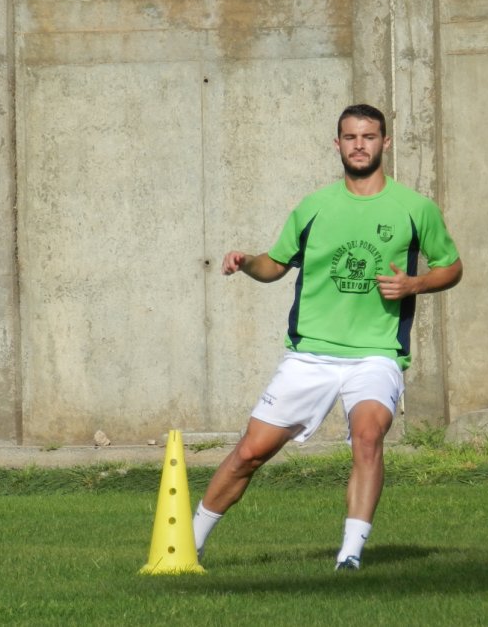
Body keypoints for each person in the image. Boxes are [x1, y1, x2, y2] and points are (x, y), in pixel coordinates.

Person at [192, 104, 463, 571]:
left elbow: (452, 267)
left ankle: (350, 555)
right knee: (250, 453)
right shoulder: (314, 207)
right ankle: (187, 544)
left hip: (376, 355)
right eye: (351, 137)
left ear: (386, 143)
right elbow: (274, 265)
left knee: (368, 436)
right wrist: (246, 262)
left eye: (369, 136)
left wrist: (415, 284)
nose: (360, 145)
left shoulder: (416, 209)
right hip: (310, 356)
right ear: (337, 144)